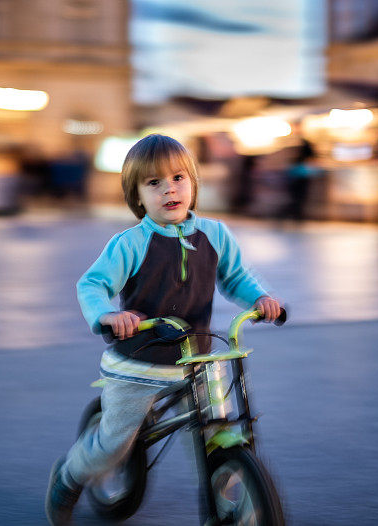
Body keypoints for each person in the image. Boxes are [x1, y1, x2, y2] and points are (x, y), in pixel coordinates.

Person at [45, 134, 282, 525]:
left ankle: (225, 504)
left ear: (193, 183)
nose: (169, 189)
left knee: (217, 433)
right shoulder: (130, 243)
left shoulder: (215, 234)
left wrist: (260, 299)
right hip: (139, 362)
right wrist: (108, 315)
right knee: (113, 446)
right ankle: (69, 475)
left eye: (178, 178)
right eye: (154, 183)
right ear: (137, 195)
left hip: (199, 355)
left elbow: (237, 276)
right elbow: (93, 285)